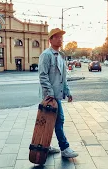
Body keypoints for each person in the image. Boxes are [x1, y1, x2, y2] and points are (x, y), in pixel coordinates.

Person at [38, 28, 78, 158]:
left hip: (57, 96)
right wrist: (50, 94)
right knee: (59, 120)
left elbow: (63, 78)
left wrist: (68, 92)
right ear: (50, 40)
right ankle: (64, 148)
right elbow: (43, 76)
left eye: (61, 37)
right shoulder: (46, 55)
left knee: (49, 122)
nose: (60, 39)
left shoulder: (61, 57)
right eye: (57, 37)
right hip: (50, 96)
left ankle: (45, 146)